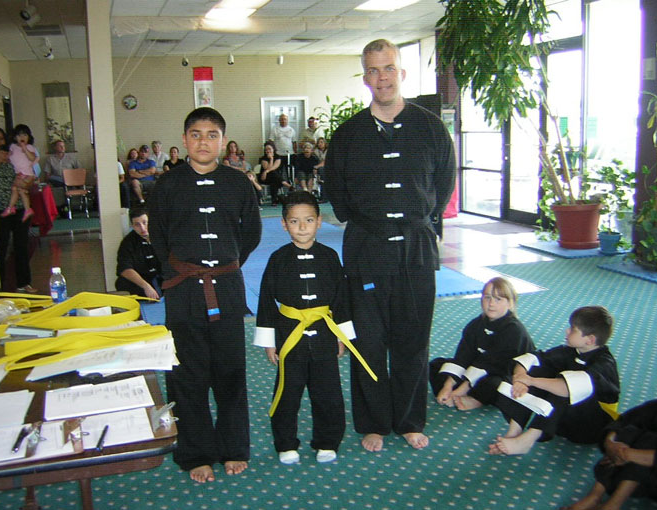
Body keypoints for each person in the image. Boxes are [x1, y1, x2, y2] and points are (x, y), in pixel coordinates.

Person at [324, 38, 456, 452]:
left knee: (413, 339)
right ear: (365, 77)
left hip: (416, 248)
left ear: (402, 72)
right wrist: (373, 222)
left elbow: (444, 183)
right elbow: (337, 193)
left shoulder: (430, 128)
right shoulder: (348, 135)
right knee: (368, 341)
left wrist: (416, 216)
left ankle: (410, 419)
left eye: (388, 68)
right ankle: (374, 422)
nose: (381, 77)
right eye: (373, 70)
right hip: (367, 248)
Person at [148, 107, 262, 483]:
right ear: (184, 140)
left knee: (231, 369)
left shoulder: (238, 183)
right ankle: (195, 452)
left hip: (226, 286)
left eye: (212, 135)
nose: (203, 142)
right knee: (187, 372)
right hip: (183, 288)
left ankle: (233, 447)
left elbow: (251, 234)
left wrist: (225, 264)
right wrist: (180, 271)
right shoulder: (167, 185)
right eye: (196, 134)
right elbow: (158, 237)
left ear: (223, 142)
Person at [254, 191, 353, 465]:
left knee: (328, 394)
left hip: (324, 335)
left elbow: (341, 299)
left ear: (319, 222)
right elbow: (266, 301)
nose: (302, 227)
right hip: (289, 336)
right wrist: (269, 341)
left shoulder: (330, 257)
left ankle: (327, 441)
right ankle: (286, 443)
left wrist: (342, 337)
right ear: (284, 224)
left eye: (308, 220)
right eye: (294, 221)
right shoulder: (278, 259)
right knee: (287, 394)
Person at [489, 306, 620, 456]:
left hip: (591, 427)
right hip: (562, 422)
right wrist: (521, 378)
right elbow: (534, 358)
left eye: (573, 329)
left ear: (590, 340)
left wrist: (531, 381)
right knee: (540, 370)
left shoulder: (604, 364)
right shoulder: (570, 351)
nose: (567, 331)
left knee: (565, 387)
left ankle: (527, 440)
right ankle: (514, 433)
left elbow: (566, 389)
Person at [429, 277, 534, 410]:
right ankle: (463, 395)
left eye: (498, 299)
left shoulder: (513, 330)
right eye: (487, 297)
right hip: (477, 367)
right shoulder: (475, 325)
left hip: (503, 372)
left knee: (493, 383)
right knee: (436, 365)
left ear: (510, 303)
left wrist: (458, 391)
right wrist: (448, 386)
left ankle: (474, 399)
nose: (491, 304)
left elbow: (489, 365)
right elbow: (462, 357)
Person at [560, 398, 657, 510]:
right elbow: (624, 421)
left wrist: (628, 454)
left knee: (650, 440)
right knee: (629, 432)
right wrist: (610, 443)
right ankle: (594, 496)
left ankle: (613, 504)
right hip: (642, 478)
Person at [0, 127, 36, 293]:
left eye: (1, 139)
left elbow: (27, 171)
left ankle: (24, 283)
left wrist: (27, 182)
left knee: (21, 246)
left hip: (19, 206)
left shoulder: (12, 155)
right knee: (1, 247)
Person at [115, 207, 162, 297]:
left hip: (162, 277)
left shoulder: (161, 236)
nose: (142, 228)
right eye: (137, 225)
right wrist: (146, 286)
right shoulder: (128, 242)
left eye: (145, 223)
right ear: (132, 226)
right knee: (122, 282)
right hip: (141, 280)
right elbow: (125, 269)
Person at [3, 124, 39, 222]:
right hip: (18, 173)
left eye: (25, 135)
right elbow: (10, 157)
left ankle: (14, 207)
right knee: (16, 189)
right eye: (19, 135)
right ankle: (20, 208)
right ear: (15, 137)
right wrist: (7, 156)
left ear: (29, 137)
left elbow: (32, 158)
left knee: (20, 189)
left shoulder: (30, 147)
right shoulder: (13, 147)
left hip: (28, 174)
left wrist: (25, 149)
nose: (22, 137)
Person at [258, 141, 288, 206]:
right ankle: (285, 184)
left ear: (273, 149)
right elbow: (268, 168)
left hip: (275, 178)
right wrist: (271, 159)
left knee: (274, 179)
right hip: (265, 178)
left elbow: (274, 167)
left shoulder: (278, 157)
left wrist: (267, 171)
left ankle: (274, 201)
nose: (268, 151)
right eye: (266, 150)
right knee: (273, 174)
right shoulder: (263, 159)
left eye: (269, 149)